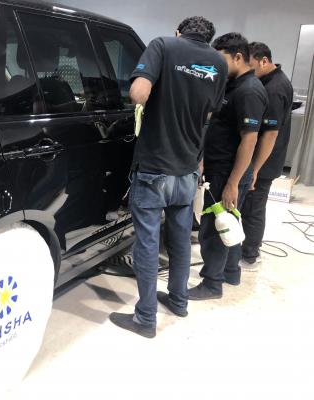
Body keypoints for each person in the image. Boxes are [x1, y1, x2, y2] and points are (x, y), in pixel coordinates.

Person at [109, 16, 227, 338]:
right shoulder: (218, 62)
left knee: (148, 244)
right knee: (180, 239)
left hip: (154, 168)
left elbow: (138, 94)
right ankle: (178, 300)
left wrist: (152, 86)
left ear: (179, 31)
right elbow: (208, 114)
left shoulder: (163, 45)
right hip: (188, 169)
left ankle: (145, 318)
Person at [189, 33, 268, 300]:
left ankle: (212, 284)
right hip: (222, 168)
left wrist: (233, 183)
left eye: (220, 58)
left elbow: (250, 139)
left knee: (214, 228)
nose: (217, 64)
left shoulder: (249, 91)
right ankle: (231, 272)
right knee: (231, 222)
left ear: (237, 57)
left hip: (227, 172)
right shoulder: (235, 85)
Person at [240, 42, 294, 271]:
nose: (249, 71)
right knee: (251, 206)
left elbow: (270, 134)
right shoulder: (270, 80)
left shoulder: (275, 89)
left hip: (264, 162)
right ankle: (248, 249)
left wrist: (254, 170)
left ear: (264, 61)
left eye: (251, 65)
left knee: (253, 208)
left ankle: (250, 256)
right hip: (262, 160)